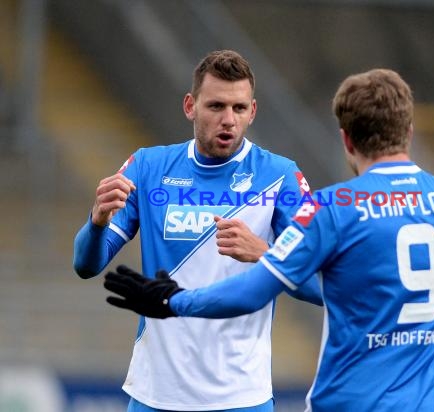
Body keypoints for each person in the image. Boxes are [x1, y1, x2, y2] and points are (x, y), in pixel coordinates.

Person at [103, 68, 434, 411]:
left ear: (346, 139)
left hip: (353, 401)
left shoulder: (333, 209)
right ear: (410, 131)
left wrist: (172, 301)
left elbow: (251, 293)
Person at [73, 50, 322, 412]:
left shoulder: (281, 177)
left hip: (241, 398)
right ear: (190, 106)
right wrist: (96, 221)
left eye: (239, 109)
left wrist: (267, 255)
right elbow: (86, 264)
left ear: (252, 112)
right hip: (155, 395)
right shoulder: (147, 166)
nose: (228, 120)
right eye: (216, 106)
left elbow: (326, 286)